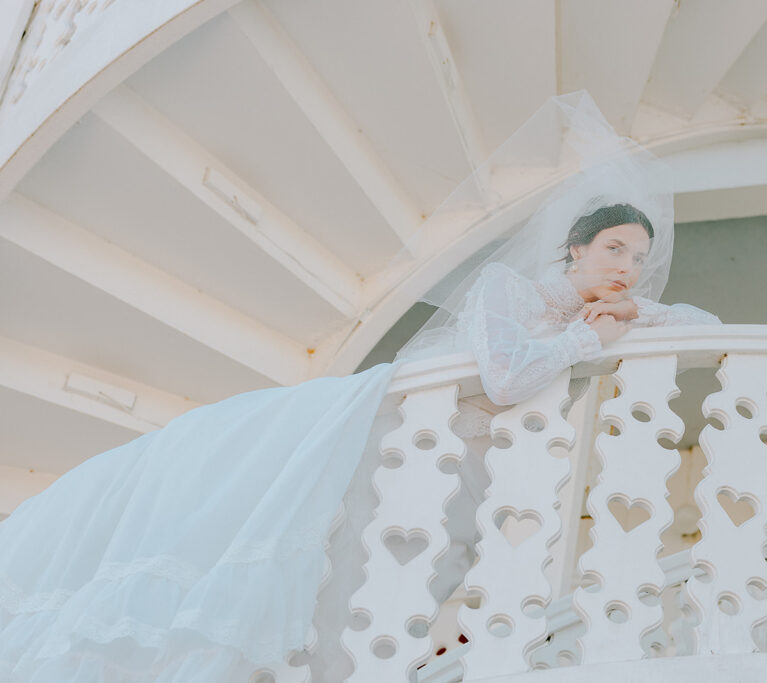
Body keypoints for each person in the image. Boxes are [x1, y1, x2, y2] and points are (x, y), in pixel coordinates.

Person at [0, 92, 718, 682]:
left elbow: (703, 325)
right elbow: (504, 376)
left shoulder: (604, 311)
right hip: (386, 438)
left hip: (475, 469)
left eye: (640, 257)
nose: (628, 265)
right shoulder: (511, 290)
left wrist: (634, 311)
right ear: (575, 247)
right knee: (323, 569)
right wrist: (588, 337)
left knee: (386, 598)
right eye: (616, 248)